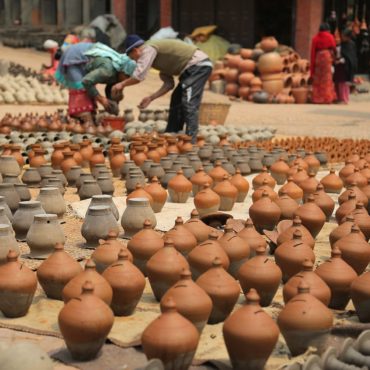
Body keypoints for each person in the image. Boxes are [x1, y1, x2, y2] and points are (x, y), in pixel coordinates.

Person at [111, 34, 213, 142]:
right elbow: (169, 84)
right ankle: (172, 134)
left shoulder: (148, 49)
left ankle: (191, 141)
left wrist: (121, 84)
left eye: (133, 58)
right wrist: (151, 98)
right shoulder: (159, 60)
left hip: (198, 65)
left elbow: (139, 76)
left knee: (188, 101)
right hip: (190, 69)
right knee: (176, 99)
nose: (136, 62)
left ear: (136, 51)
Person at [55, 42, 136, 122]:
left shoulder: (119, 70)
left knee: (90, 93)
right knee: (81, 88)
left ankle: (85, 117)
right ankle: (81, 117)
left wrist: (114, 101)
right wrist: (101, 99)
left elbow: (110, 89)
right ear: (122, 71)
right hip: (76, 57)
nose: (127, 80)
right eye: (127, 77)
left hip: (87, 55)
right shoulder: (107, 70)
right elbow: (87, 81)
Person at [310, 23, 337, 104]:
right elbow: (334, 48)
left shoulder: (315, 38)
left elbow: (312, 52)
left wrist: (312, 65)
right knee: (327, 78)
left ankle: (317, 99)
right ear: (328, 29)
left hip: (318, 58)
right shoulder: (330, 36)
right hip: (327, 58)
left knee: (318, 78)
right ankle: (327, 98)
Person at [334, 29, 358, 104]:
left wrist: (340, 60)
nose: (342, 37)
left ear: (348, 37)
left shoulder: (350, 45)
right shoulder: (343, 44)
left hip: (346, 66)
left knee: (343, 83)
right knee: (338, 82)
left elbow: (349, 57)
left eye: (344, 36)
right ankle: (340, 98)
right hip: (339, 67)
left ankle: (344, 99)